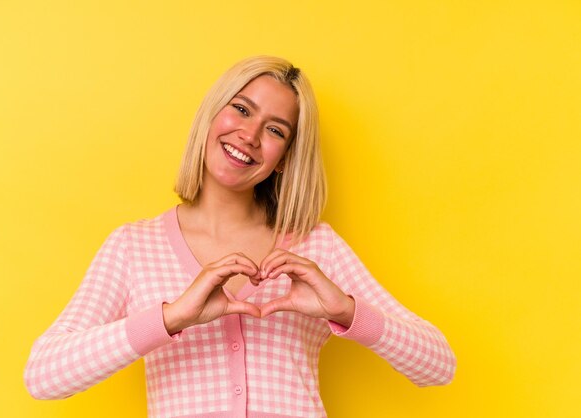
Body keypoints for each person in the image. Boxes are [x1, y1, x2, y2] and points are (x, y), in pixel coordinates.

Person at [24, 56, 456, 418]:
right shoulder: (135, 246)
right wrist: (171, 318)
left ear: (285, 158)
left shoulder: (315, 247)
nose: (249, 136)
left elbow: (438, 365)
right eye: (242, 109)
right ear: (212, 114)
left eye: (275, 130)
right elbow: (44, 375)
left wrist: (345, 311)